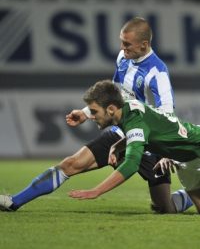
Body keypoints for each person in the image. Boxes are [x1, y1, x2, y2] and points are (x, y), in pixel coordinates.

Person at [0, 18, 192, 213]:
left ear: (144, 45)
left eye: (127, 44)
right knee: (71, 164)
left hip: (148, 141)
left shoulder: (157, 72)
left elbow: (167, 113)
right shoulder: (123, 58)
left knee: (164, 208)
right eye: (121, 42)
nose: (122, 48)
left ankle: (188, 196)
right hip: (121, 131)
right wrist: (86, 112)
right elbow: (115, 93)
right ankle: (13, 201)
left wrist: (166, 152)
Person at [68, 80, 200, 213]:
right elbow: (142, 132)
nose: (92, 116)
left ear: (111, 109)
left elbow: (131, 164)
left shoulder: (134, 121)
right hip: (187, 160)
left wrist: (96, 191)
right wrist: (116, 147)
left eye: (94, 112)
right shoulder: (125, 109)